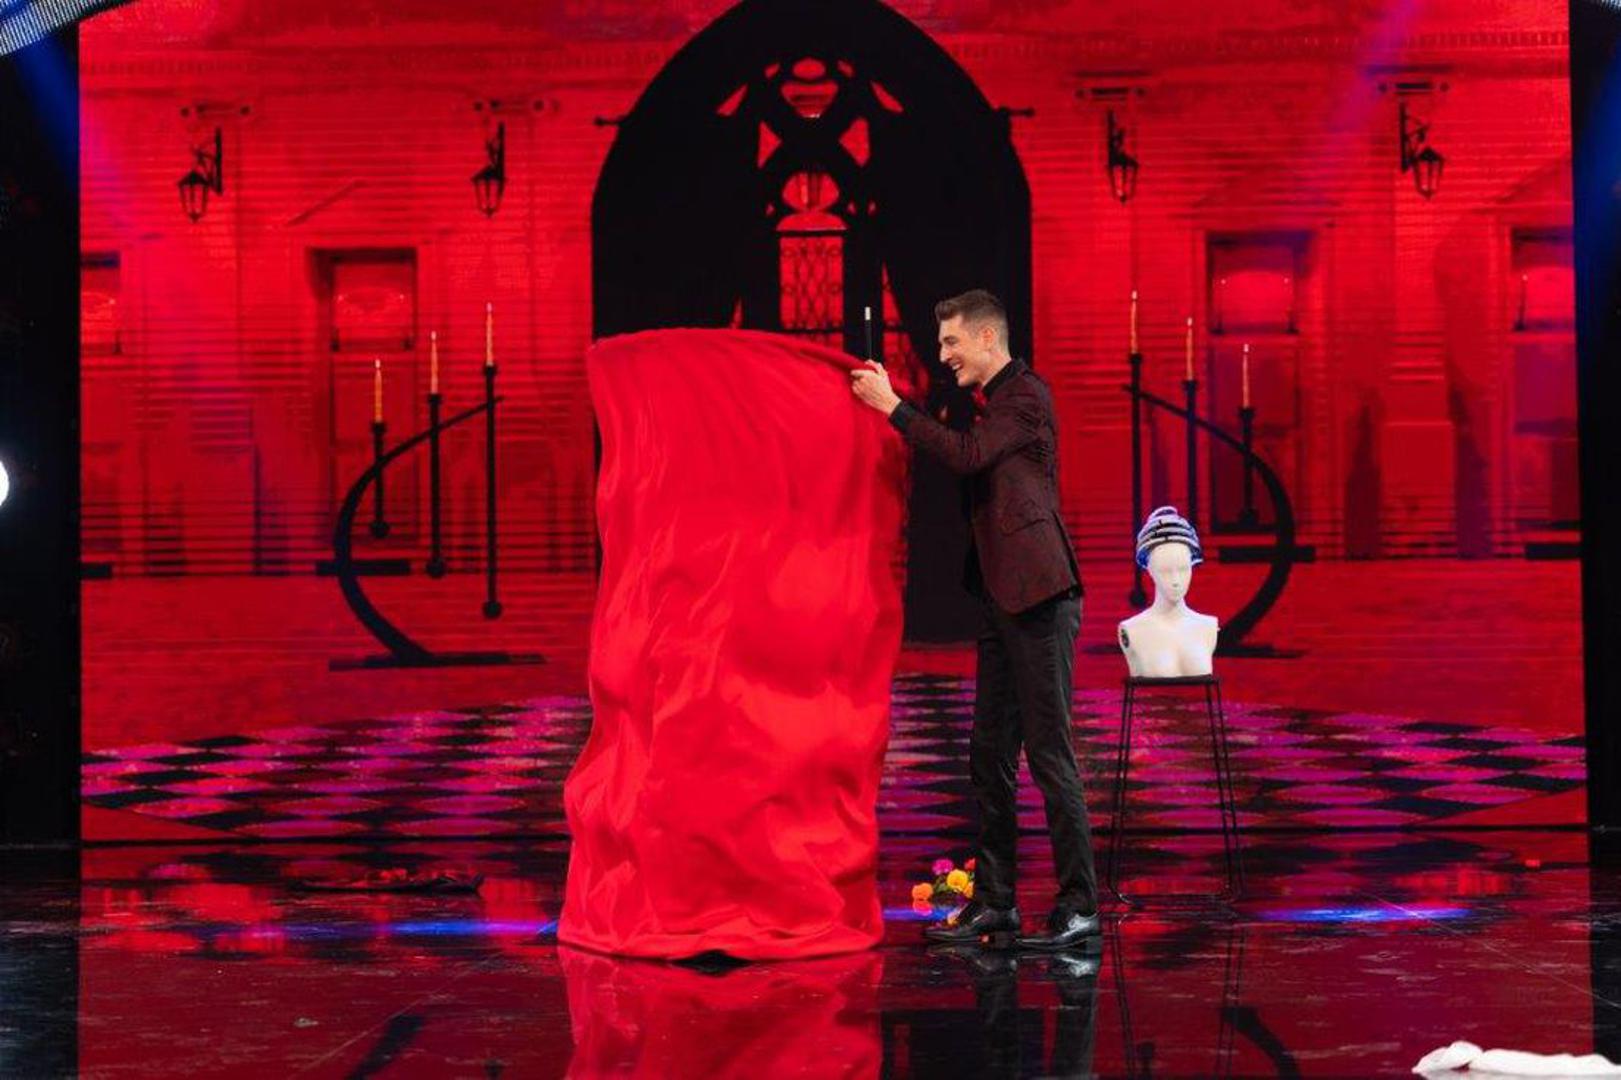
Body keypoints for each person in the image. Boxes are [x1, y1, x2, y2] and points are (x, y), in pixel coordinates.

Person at [850, 288, 1099, 951]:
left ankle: (1080, 908)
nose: (944, 355)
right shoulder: (997, 404)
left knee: (1049, 754)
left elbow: (964, 454)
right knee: (988, 755)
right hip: (1001, 597)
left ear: (988, 338)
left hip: (1041, 597)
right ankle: (995, 903)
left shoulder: (1025, 397)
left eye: (951, 342)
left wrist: (893, 408)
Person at [1118, 506, 1220, 678]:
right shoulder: (1133, 629)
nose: (1175, 580)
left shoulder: (1208, 626)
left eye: (1183, 569)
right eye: (1165, 570)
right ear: (1150, 570)